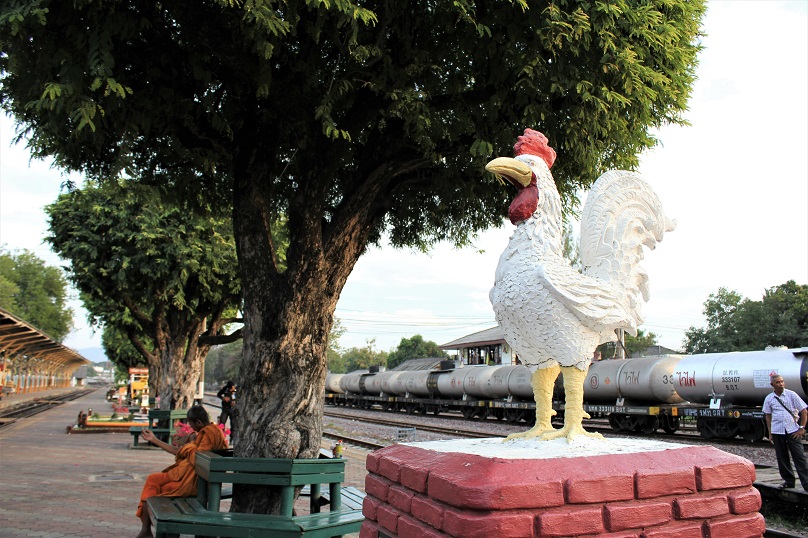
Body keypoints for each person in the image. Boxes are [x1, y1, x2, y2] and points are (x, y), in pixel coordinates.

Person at [134, 405, 228, 538]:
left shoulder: (209, 433)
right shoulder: (206, 432)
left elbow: (198, 458)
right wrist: (154, 440)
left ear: (199, 422)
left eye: (191, 424)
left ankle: (147, 530)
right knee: (152, 480)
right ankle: (146, 530)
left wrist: (187, 447)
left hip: (193, 482)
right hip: (184, 475)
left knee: (156, 491)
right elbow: (186, 453)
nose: (191, 428)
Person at [763, 374, 808, 490]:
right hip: (777, 430)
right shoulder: (769, 398)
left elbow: (804, 411)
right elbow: (768, 415)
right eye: (778, 382)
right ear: (772, 384)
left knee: (799, 456)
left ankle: (806, 483)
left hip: (792, 429)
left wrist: (801, 428)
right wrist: (770, 432)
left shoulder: (791, 395)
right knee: (782, 457)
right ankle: (788, 481)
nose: (781, 384)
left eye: (782, 381)